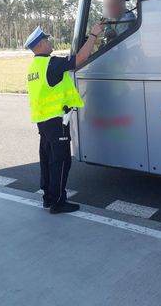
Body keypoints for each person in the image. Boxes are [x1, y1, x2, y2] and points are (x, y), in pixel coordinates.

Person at [25, 24, 103, 214]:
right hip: (56, 121)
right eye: (48, 40)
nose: (50, 43)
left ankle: (48, 198)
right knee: (61, 161)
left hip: (43, 121)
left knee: (47, 160)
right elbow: (81, 58)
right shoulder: (51, 64)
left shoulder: (34, 67)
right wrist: (93, 34)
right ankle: (58, 202)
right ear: (41, 44)